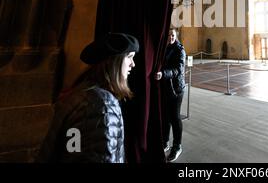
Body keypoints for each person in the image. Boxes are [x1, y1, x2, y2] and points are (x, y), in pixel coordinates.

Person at [36, 33, 139, 163]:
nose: (133, 64)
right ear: (114, 62)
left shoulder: (82, 92)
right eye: (129, 57)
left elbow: (72, 149)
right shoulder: (103, 106)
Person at [155, 29, 186, 162]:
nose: (171, 38)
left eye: (173, 35)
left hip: (176, 89)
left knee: (175, 117)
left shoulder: (180, 50)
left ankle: (177, 146)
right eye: (168, 36)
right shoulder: (164, 48)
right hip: (166, 88)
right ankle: (165, 143)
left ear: (176, 36)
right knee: (166, 117)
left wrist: (164, 74)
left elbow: (179, 69)